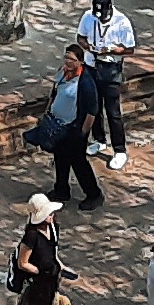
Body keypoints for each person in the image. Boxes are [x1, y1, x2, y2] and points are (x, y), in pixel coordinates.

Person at [36, 43, 104, 209]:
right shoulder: (63, 73)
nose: (68, 61)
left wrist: (82, 133)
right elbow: (54, 93)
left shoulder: (85, 82)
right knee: (60, 158)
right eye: (66, 57)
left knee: (79, 162)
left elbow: (92, 112)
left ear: (80, 61)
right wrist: (47, 112)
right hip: (58, 125)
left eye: (72, 59)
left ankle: (93, 194)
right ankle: (61, 189)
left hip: (74, 129)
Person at [75, 0, 135, 169]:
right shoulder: (88, 17)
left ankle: (119, 150)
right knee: (93, 107)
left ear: (110, 9)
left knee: (113, 112)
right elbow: (80, 38)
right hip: (91, 65)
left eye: (104, 17)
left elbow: (129, 49)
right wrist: (89, 47)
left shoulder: (122, 22)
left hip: (110, 68)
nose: (101, 20)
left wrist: (109, 50)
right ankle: (99, 140)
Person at [10, 191, 67, 297]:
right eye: (47, 213)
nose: (51, 215)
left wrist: (58, 267)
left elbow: (52, 250)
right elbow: (22, 263)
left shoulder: (54, 227)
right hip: (36, 280)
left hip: (51, 274)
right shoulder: (31, 236)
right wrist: (40, 273)